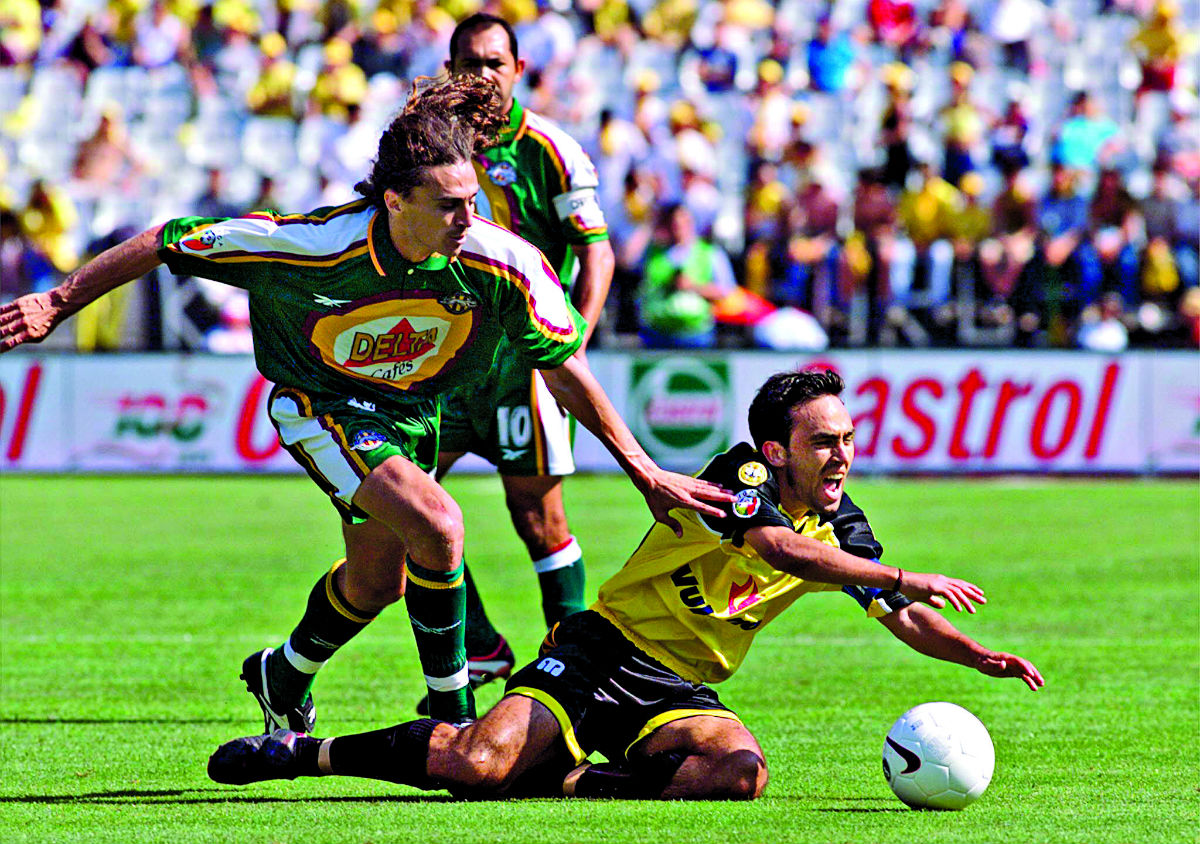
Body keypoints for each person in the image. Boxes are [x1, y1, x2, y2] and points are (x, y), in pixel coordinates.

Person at [0, 75, 729, 729]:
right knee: (441, 526)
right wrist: (57, 301)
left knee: (375, 581)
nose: (466, 219)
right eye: (448, 205)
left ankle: (281, 675)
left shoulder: (503, 261)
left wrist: (644, 469)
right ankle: (453, 724)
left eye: (472, 201)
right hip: (321, 408)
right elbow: (167, 239)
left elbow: (566, 367)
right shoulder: (312, 247)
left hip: (413, 416)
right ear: (394, 200)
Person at [207, 368, 1043, 800]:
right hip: (603, 649)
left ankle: (566, 779)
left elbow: (898, 613)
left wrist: (974, 657)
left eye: (849, 438)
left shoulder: (846, 522)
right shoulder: (739, 477)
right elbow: (781, 552)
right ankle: (304, 754)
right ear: (777, 449)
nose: (844, 456)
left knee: (739, 775)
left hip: (676, 687)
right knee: (474, 765)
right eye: (825, 441)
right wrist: (899, 572)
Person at [431, 14, 618, 702]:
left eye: (494, 63)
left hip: (522, 362)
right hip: (441, 362)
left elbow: (597, 250)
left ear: (518, 69)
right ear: (449, 69)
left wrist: (576, 341)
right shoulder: (429, 144)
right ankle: (477, 648)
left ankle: (577, 677)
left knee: (539, 520)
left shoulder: (552, 150)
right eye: (468, 63)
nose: (481, 76)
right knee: (395, 505)